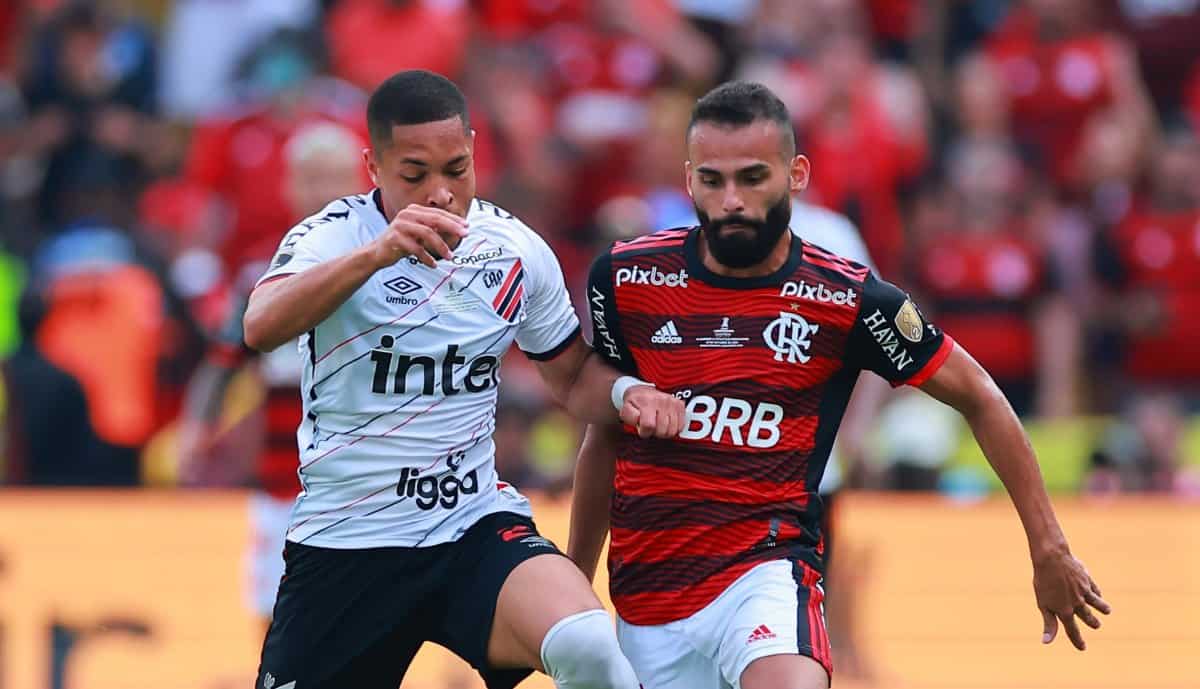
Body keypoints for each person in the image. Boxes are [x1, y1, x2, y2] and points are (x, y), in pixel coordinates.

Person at [567, 81, 1111, 689]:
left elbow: (979, 395)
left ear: (796, 174)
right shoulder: (626, 277)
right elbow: (604, 434)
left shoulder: (846, 298)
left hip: (766, 573)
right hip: (649, 596)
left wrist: (1048, 547)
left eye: (753, 178)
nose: (732, 201)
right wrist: (573, 584)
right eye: (713, 181)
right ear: (688, 178)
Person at [243, 69, 683, 689]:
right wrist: (379, 254)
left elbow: (570, 374)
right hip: (347, 543)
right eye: (415, 174)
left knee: (589, 646)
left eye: (456, 168)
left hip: (469, 526)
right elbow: (259, 326)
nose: (441, 191)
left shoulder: (513, 249)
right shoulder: (332, 238)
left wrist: (623, 392)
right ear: (373, 166)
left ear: (475, 149)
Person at [177, 121, 366, 632]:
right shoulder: (262, 272)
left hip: (364, 485)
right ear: (286, 186)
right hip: (283, 484)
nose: (321, 191)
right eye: (309, 178)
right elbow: (223, 362)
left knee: (357, 622)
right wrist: (195, 431)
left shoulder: (386, 266)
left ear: (362, 181)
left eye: (333, 178)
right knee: (274, 615)